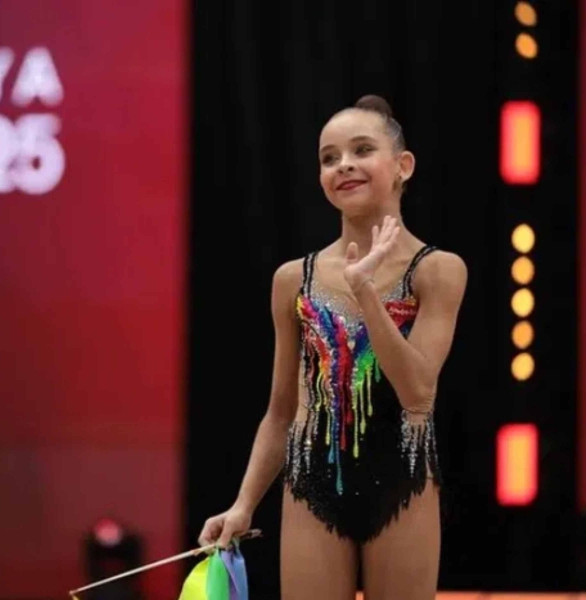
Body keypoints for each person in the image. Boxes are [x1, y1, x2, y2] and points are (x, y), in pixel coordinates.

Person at [198, 95, 468, 600]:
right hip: (311, 489)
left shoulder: (438, 270)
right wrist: (243, 504)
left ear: (402, 166)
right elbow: (281, 413)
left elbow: (417, 393)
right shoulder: (292, 280)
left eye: (362, 150)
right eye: (329, 157)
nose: (343, 165)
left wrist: (365, 291)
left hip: (403, 484)